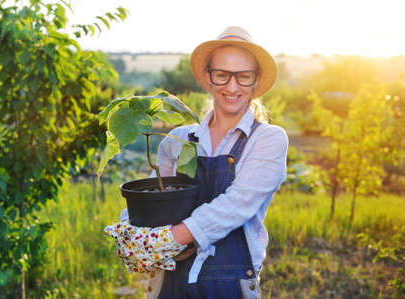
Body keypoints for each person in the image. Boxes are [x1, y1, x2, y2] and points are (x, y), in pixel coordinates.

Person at [105, 26, 288, 299]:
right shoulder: (178, 140)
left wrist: (168, 239)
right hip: (169, 282)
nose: (232, 86)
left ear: (255, 80)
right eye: (222, 75)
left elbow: (236, 205)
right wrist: (134, 230)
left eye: (244, 76)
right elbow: (157, 205)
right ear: (208, 77)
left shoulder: (268, 139)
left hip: (230, 285)